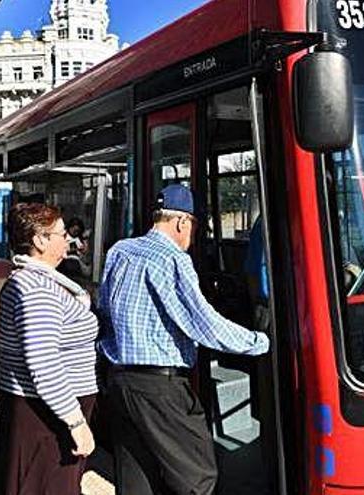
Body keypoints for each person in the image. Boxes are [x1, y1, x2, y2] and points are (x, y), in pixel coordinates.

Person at [98, 184, 270, 495]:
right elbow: (203, 323)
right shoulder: (173, 259)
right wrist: (260, 342)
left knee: (135, 477)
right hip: (160, 389)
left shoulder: (119, 250)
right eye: (193, 226)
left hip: (120, 382)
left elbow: (104, 310)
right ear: (182, 222)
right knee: (198, 475)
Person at [0, 203, 99, 495]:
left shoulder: (35, 281)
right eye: (61, 234)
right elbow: (44, 364)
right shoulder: (36, 290)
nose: (68, 240)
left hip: (44, 412)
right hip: (47, 418)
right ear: (40, 240)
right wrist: (75, 421)